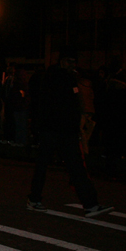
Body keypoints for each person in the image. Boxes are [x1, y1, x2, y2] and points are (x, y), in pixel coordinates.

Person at [27, 48, 113, 218]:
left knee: (77, 167)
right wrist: (41, 127)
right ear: (61, 61)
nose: (71, 65)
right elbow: (47, 104)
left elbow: (73, 106)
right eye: (68, 61)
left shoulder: (70, 78)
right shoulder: (52, 77)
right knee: (43, 166)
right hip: (52, 129)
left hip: (66, 131)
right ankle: (34, 199)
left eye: (74, 61)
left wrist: (75, 128)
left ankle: (90, 204)